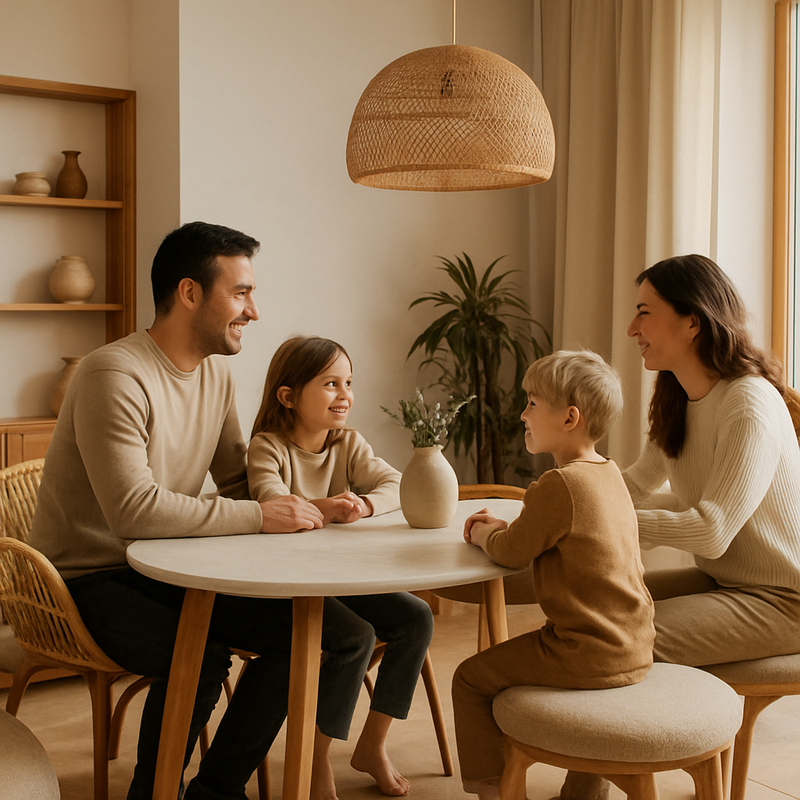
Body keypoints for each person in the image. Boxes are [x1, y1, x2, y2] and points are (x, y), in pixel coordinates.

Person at [29, 222, 375, 800]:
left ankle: (214, 791)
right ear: (190, 293)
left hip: (175, 565)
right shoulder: (112, 374)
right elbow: (134, 512)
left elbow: (239, 481)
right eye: (241, 293)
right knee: (204, 656)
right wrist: (264, 517)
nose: (255, 311)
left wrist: (310, 506)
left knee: (332, 634)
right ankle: (153, 792)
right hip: (88, 579)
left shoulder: (215, 371)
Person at [565, 253, 800, 800]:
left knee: (617, 640)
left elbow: (713, 528)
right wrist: (563, 502)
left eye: (644, 313)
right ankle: (591, 786)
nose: (631, 329)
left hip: (785, 598)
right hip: (730, 582)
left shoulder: (749, 403)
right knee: (598, 609)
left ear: (692, 321)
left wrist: (611, 522)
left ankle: (600, 783)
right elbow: (639, 481)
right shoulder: (678, 394)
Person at [450, 350, 655, 800]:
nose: (523, 413)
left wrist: (484, 532)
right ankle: (584, 792)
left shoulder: (560, 484)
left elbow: (511, 554)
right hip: (634, 644)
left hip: (585, 649)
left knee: (468, 678)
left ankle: (496, 791)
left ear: (569, 418)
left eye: (532, 403)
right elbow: (544, 534)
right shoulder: (607, 473)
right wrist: (510, 528)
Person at [247, 335, 434, 798]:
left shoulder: (348, 443)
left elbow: (398, 484)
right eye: (331, 383)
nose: (345, 394)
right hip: (285, 588)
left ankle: (372, 745)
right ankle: (314, 761)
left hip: (338, 580)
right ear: (288, 396)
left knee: (416, 617)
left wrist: (366, 505)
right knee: (356, 638)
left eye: (348, 382)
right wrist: (324, 508)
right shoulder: (266, 448)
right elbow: (273, 501)